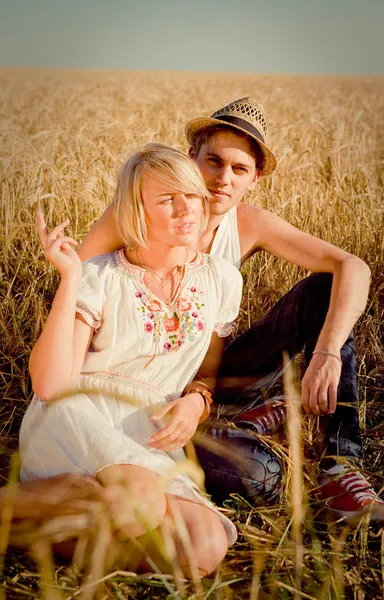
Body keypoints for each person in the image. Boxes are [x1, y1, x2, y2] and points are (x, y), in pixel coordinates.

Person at [75, 97, 384, 523]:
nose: (223, 179)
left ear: (255, 178)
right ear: (191, 157)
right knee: (261, 477)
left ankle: (340, 469)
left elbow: (352, 267)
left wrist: (327, 351)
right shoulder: (136, 215)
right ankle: (249, 417)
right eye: (213, 161)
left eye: (240, 169)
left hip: (212, 369)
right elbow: (76, 282)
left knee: (325, 290)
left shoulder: (248, 223)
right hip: (143, 384)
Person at [17, 142, 243, 575]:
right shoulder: (101, 276)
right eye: (166, 199)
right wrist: (70, 279)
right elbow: (51, 387)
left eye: (191, 195)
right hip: (79, 414)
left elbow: (207, 371)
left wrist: (197, 402)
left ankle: (44, 510)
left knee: (203, 548)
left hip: (149, 427)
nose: (185, 208)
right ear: (137, 210)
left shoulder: (222, 281)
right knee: (137, 503)